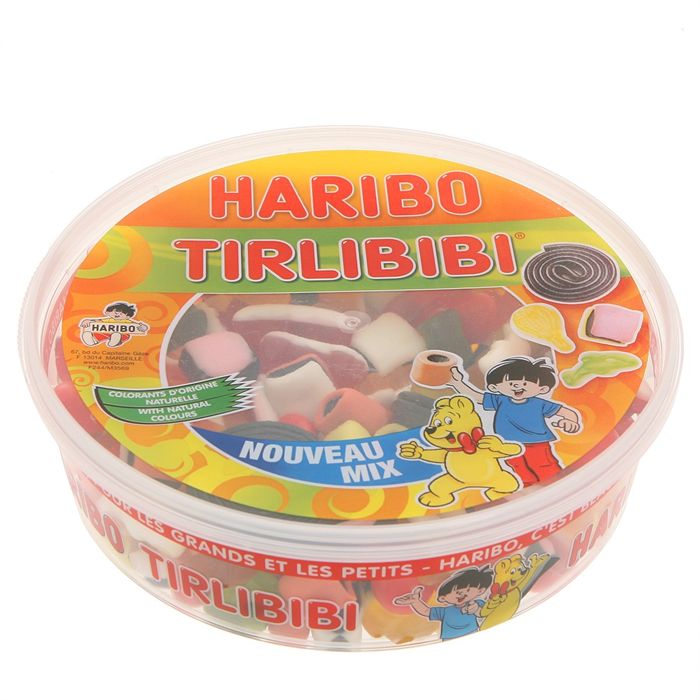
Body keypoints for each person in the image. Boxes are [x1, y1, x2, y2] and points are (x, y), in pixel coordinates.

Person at [450, 356, 581, 486]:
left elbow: (566, 412)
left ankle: (558, 485)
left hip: (537, 443)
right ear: (495, 387)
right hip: (508, 445)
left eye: (525, 383)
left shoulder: (539, 403)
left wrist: (571, 422)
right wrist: (458, 383)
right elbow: (477, 397)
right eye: (510, 383)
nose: (517, 386)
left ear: (542, 388)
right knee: (519, 468)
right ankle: (529, 488)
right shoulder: (500, 400)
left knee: (544, 465)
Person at [393, 567, 493, 640]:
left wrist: (476, 609)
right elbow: (426, 611)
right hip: (448, 639)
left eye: (468, 590)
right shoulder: (445, 611)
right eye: (456, 592)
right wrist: (415, 602)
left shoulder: (477, 603)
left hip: (475, 635)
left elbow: (484, 612)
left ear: (480, 591)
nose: (462, 594)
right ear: (443, 598)